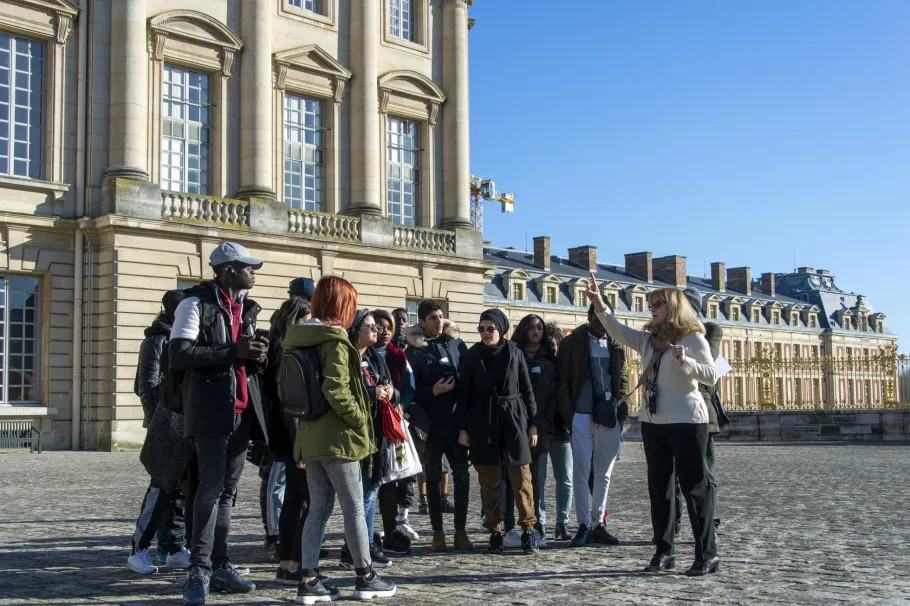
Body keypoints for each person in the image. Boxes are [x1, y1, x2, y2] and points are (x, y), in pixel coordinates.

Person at [584, 274, 720, 576]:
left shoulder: (693, 338)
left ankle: (707, 553)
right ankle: (664, 551)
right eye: (650, 304)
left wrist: (687, 362)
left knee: (694, 488)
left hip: (687, 421)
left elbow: (711, 375)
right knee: (660, 489)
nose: (652, 308)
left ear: (674, 307)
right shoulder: (649, 339)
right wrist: (599, 303)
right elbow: (618, 331)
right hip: (653, 421)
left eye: (658, 304)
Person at [283, 277, 396, 603]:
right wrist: (359, 419)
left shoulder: (298, 339)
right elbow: (337, 390)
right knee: (354, 508)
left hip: (310, 435)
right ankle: (365, 576)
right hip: (340, 439)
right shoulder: (334, 341)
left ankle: (309, 579)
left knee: (317, 508)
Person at [169, 242, 270, 605]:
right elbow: (178, 355)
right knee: (209, 490)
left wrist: (258, 355)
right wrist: (233, 351)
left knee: (228, 492)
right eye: (247, 266)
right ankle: (199, 569)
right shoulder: (194, 304)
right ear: (228, 269)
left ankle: (220, 563)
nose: (253, 272)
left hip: (242, 411)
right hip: (209, 411)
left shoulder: (246, 308)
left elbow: (245, 361)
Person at [458, 309, 539, 555]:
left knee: (522, 478)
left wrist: (533, 424)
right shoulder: (471, 356)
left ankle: (528, 531)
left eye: (490, 328)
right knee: (489, 481)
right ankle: (494, 532)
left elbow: (527, 389)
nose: (485, 333)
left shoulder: (515, 352)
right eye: (481, 328)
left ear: (501, 329)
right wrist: (462, 428)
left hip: (514, 420)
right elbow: (464, 395)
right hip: (483, 421)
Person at [128, 290, 190, 574]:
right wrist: (158, 425)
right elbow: (147, 385)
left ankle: (174, 547)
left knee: (178, 491)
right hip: (165, 425)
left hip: (185, 423)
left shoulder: (181, 336)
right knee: (160, 489)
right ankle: (139, 548)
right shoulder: (157, 339)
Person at [557, 303, 629, 548]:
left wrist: (621, 414)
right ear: (589, 318)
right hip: (581, 413)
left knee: (604, 473)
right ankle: (583, 524)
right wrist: (569, 415)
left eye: (607, 319)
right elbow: (562, 381)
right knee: (581, 470)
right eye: (598, 319)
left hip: (609, 415)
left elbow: (622, 380)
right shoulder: (572, 342)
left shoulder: (616, 344)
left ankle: (599, 523)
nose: (603, 324)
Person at [406, 300, 473, 551]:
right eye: (433, 318)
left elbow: (469, 378)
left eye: (441, 316)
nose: (438, 321)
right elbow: (409, 391)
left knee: (463, 477)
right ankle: (438, 533)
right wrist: (432, 391)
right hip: (431, 426)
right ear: (422, 322)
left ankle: (461, 532)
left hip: (458, 424)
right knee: (433, 478)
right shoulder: (414, 350)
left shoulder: (456, 343)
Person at [261, 295, 316, 586]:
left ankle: (286, 564)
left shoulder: (280, 348)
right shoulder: (287, 352)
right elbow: (290, 406)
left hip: (286, 436)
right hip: (293, 435)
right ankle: (296, 563)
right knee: (311, 500)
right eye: (306, 322)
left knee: (295, 499)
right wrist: (300, 447)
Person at [339, 310, 396, 569]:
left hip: (377, 432)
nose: (377, 330)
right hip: (355, 433)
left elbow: (391, 386)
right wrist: (373, 392)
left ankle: (367, 545)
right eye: (371, 326)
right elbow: (346, 392)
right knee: (359, 497)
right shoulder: (346, 357)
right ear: (355, 331)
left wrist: (390, 392)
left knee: (371, 491)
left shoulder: (374, 358)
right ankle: (352, 550)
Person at [371, 309, 419, 553]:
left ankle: (391, 527)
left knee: (391, 477)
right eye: (380, 326)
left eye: (388, 327)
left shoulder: (399, 356)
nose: (386, 331)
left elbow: (409, 387)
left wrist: (400, 402)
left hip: (392, 424)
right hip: (369, 424)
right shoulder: (361, 354)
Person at [511, 314, 562, 545]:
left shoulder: (548, 360)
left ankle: (537, 523)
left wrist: (546, 423)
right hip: (516, 424)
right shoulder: (514, 355)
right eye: (531, 327)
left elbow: (553, 395)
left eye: (540, 328)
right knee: (514, 477)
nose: (536, 331)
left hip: (541, 427)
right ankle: (512, 523)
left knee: (537, 478)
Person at [678, 287, 725, 535]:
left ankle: (709, 521)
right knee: (674, 475)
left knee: (705, 472)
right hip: (673, 410)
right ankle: (673, 524)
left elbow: (708, 360)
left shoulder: (711, 330)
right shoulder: (669, 332)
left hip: (703, 411)